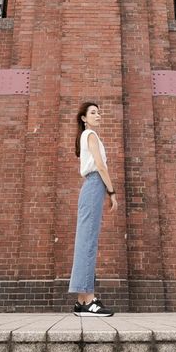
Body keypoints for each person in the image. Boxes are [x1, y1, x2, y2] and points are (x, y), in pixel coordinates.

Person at [68, 101, 118, 316]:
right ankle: (89, 300)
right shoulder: (91, 136)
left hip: (90, 187)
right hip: (95, 184)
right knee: (88, 242)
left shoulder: (85, 136)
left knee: (85, 241)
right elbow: (100, 165)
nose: (98, 115)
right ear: (84, 118)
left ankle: (81, 300)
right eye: (93, 112)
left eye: (99, 112)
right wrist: (112, 192)